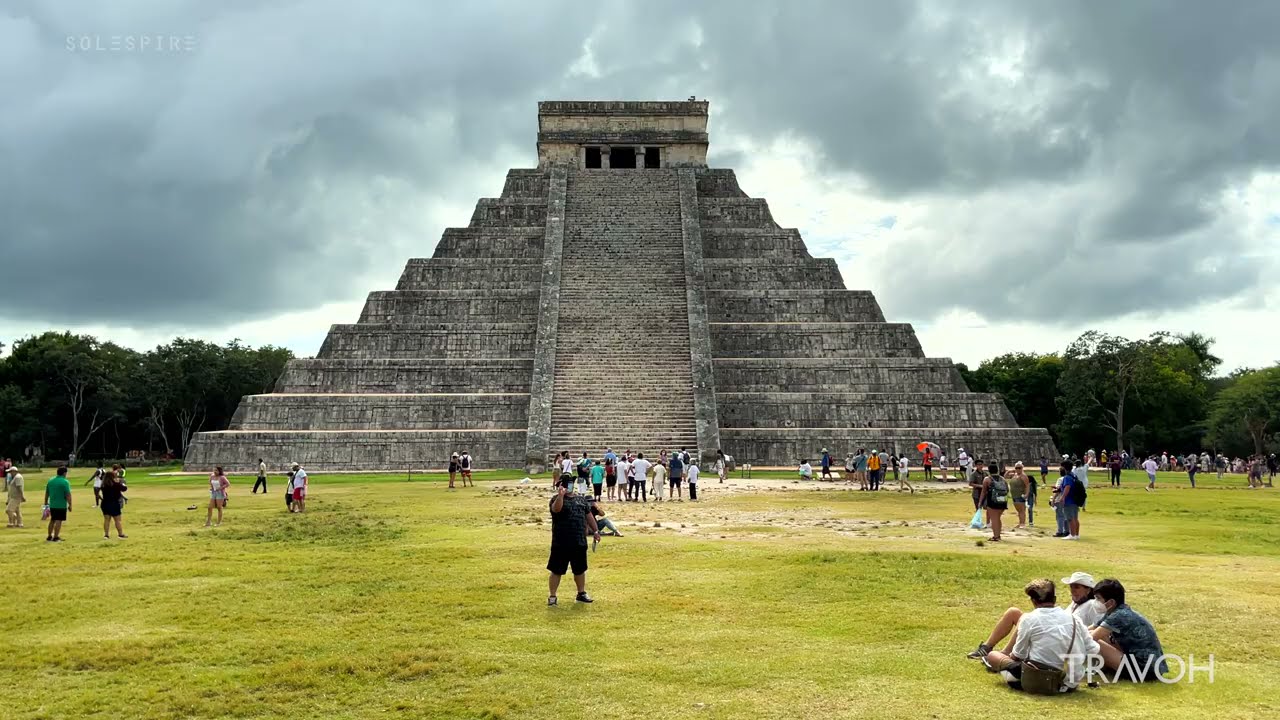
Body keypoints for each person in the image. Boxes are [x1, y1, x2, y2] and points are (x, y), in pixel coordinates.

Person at [978, 579, 1101, 694]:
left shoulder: (1029, 619)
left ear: (1033, 601)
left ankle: (1001, 667)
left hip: (1038, 681)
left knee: (993, 656)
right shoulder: (1075, 619)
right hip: (1069, 684)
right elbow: (1093, 648)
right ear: (1054, 598)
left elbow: (1018, 655)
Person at [1090, 579, 1168, 682]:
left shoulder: (1119, 616)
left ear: (1111, 602)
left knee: (1094, 641)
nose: (1095, 602)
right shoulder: (1117, 611)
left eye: (1098, 598)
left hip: (1145, 670)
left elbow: (1091, 637)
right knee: (1102, 637)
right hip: (1151, 667)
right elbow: (1092, 628)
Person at [546, 478, 600, 606]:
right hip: (561, 542)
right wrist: (561, 496)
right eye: (565, 483)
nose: (568, 485)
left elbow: (589, 516)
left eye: (570, 483)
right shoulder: (556, 499)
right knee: (556, 570)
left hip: (579, 541)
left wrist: (596, 531)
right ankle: (552, 597)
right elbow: (556, 509)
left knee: (580, 569)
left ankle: (581, 593)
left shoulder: (581, 499)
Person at [979, 464, 1008, 541]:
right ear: (997, 470)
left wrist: (980, 502)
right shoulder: (1003, 479)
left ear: (989, 470)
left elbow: (983, 492)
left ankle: (996, 536)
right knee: (998, 518)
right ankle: (998, 535)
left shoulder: (987, 479)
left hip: (993, 502)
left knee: (994, 519)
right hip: (1002, 501)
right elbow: (1007, 490)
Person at [44, 466, 73, 542]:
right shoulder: (65, 482)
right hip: (61, 504)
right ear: (64, 473)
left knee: (52, 520)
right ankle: (56, 537)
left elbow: (47, 492)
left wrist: (46, 502)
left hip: (52, 504)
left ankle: (49, 536)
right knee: (58, 521)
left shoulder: (51, 481)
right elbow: (68, 495)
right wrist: (70, 505)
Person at [1059, 461, 1085, 540]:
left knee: (1070, 518)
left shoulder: (1067, 477)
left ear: (1064, 467)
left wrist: (1063, 497)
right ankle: (1076, 534)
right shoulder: (1073, 475)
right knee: (1075, 518)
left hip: (1069, 500)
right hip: (1075, 500)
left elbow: (1067, 487)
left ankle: (1072, 534)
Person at [99, 469, 128, 539]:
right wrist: (119, 482)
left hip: (105, 503)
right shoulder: (116, 484)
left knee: (106, 520)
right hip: (114, 503)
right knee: (117, 520)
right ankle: (120, 534)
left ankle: (106, 535)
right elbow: (124, 488)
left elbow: (99, 493)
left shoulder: (103, 485)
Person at [1006, 462, 1029, 529]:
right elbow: (1005, 476)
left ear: (1022, 468)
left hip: (1020, 494)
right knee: (1018, 510)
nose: (1018, 469)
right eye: (1016, 468)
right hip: (1014, 495)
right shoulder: (1014, 475)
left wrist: (1026, 494)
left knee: (1022, 510)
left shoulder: (1023, 476)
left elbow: (1027, 486)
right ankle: (1020, 522)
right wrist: (1009, 471)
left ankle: (1022, 523)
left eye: (1019, 468)